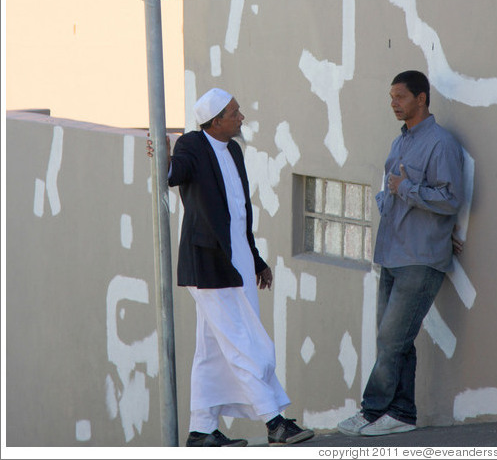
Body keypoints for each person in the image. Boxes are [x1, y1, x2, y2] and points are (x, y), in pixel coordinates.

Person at [148, 87, 314, 448]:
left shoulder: (234, 149)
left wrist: (255, 259)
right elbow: (172, 175)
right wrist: (160, 156)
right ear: (215, 121)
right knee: (244, 340)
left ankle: (202, 430)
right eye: (235, 113)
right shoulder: (192, 144)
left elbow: (239, 213)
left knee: (212, 348)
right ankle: (273, 421)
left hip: (237, 261)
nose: (242, 118)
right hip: (208, 264)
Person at [338, 70, 464, 438]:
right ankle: (401, 414)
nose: (393, 104)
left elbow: (451, 198)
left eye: (400, 97)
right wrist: (389, 195)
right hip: (392, 253)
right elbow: (389, 188)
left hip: (421, 259)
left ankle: (372, 410)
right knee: (395, 339)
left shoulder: (441, 144)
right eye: (391, 97)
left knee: (391, 340)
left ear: (421, 98)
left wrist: (405, 188)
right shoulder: (401, 142)